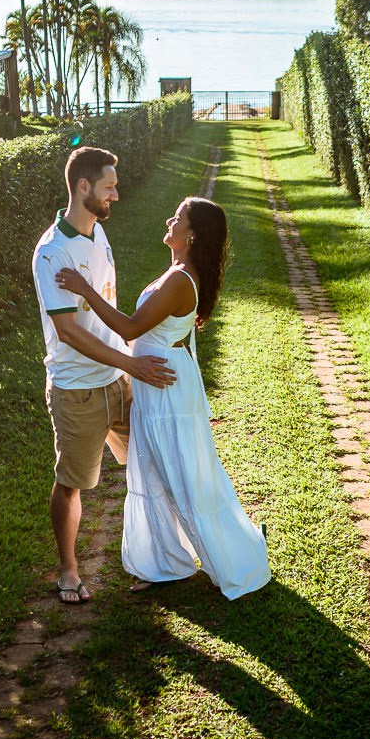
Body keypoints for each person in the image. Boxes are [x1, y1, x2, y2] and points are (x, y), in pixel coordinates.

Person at [55, 196, 271, 600]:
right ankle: (166, 562)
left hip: (164, 384)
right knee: (155, 470)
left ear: (192, 234)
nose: (169, 220)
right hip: (158, 381)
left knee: (182, 475)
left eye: (179, 217)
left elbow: (131, 328)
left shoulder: (180, 278)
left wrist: (84, 289)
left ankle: (233, 557)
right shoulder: (178, 271)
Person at [32, 146, 176, 605]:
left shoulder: (98, 233)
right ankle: (69, 571)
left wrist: (129, 355)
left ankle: (160, 558)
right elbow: (69, 332)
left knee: (152, 462)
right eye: (110, 186)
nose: (117, 193)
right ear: (83, 187)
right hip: (78, 390)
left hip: (119, 381)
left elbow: (105, 303)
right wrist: (131, 363)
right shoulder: (52, 252)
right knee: (71, 482)